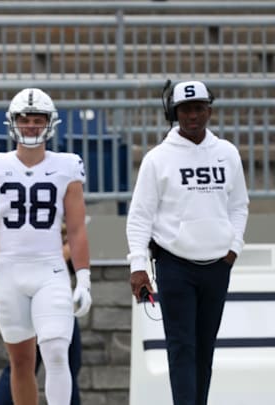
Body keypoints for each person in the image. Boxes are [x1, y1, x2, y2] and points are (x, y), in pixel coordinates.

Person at [127, 80, 249, 405]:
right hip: (174, 264)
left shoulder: (227, 153)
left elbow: (239, 205)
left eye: (198, 108)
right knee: (181, 347)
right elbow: (140, 216)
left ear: (208, 110)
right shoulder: (158, 159)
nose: (192, 115)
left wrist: (234, 247)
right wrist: (138, 266)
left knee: (205, 347)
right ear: (174, 113)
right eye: (185, 109)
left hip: (217, 266)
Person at [0, 88, 92, 405]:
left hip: (50, 269)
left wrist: (85, 279)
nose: (33, 126)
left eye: (39, 120)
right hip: (9, 271)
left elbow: (76, 230)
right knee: (21, 362)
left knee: (55, 350)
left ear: (50, 124)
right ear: (14, 123)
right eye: (26, 119)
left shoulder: (67, 166)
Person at [0, 222, 83, 405]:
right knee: (21, 364)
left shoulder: (59, 210)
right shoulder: (19, 221)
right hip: (27, 295)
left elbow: (74, 247)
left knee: (64, 361)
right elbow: (3, 247)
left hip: (54, 298)